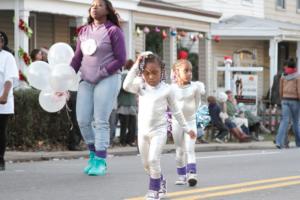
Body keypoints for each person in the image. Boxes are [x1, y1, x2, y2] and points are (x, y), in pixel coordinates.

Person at [123, 52, 196, 200]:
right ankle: (160, 180)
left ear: (161, 71)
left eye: (155, 73)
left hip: (159, 131)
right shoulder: (140, 85)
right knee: (146, 164)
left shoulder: (167, 89)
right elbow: (126, 85)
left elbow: (176, 111)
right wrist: (137, 64)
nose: (151, 77)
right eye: (147, 73)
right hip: (143, 132)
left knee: (153, 160)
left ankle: (154, 190)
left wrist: (187, 129)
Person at [70, 0, 126, 176]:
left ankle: (101, 160)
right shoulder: (84, 31)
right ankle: (93, 155)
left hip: (107, 78)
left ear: (108, 10)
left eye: (99, 5)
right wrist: (65, 77)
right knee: (82, 120)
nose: (94, 7)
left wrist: (101, 72)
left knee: (100, 120)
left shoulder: (113, 31)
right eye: (92, 5)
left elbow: (121, 59)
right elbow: (77, 58)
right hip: (86, 80)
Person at [170, 59, 205, 187]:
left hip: (190, 122)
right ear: (177, 72)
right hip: (177, 123)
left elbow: (197, 103)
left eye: (191, 70)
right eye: (186, 71)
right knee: (179, 150)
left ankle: (192, 174)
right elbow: (170, 105)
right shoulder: (171, 89)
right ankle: (181, 175)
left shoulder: (195, 87)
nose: (189, 73)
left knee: (190, 149)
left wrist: (191, 115)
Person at [0, 31, 19, 170]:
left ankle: (0, 160)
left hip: (3, 102)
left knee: (1, 131)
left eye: (1, 39)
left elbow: (9, 78)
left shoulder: (8, 57)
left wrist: (4, 95)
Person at [275, 58, 300, 149]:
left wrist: (282, 98)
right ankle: (298, 143)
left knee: (284, 121)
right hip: (295, 101)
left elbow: (280, 89)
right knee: (296, 122)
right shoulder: (297, 76)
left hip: (285, 100)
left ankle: (278, 142)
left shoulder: (283, 76)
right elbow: (299, 90)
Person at [117, 59, 137, 146]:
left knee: (126, 124)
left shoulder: (125, 75)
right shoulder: (125, 75)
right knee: (130, 124)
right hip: (127, 103)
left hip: (127, 103)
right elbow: (123, 87)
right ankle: (127, 141)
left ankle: (125, 141)